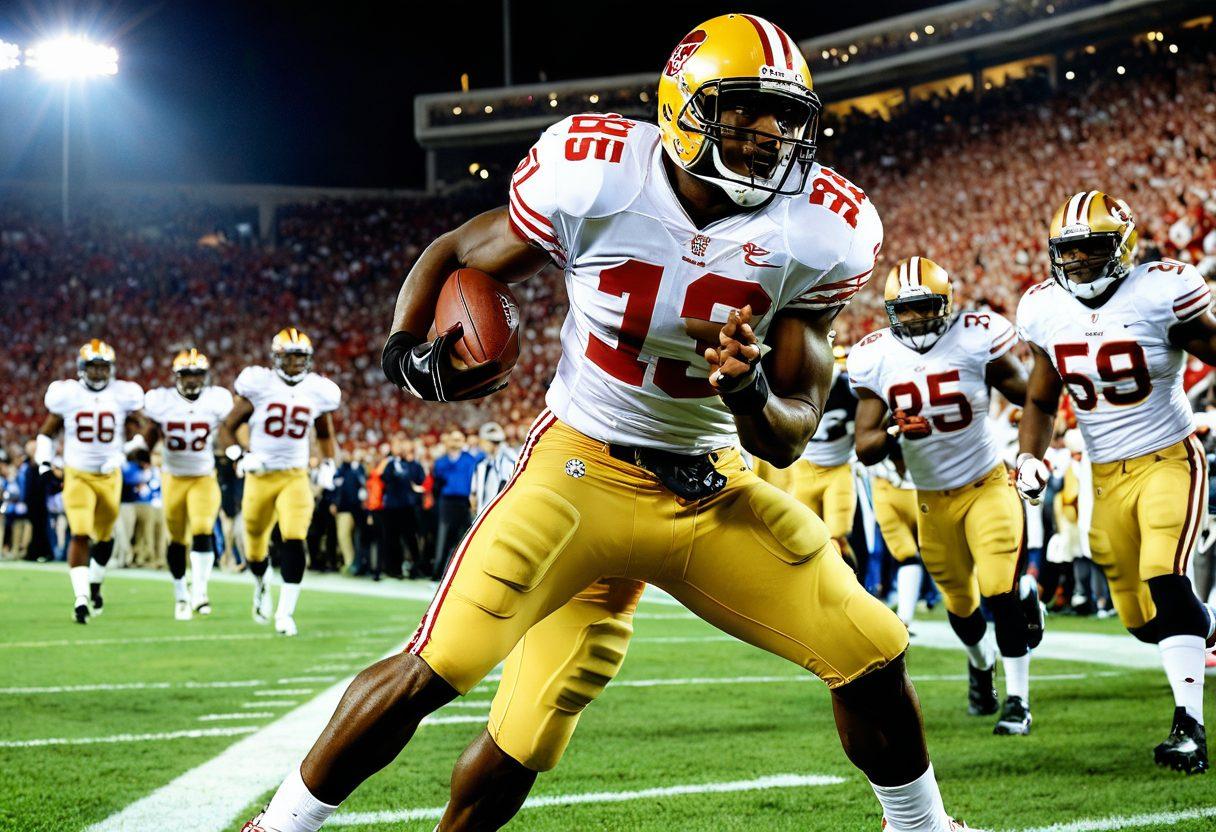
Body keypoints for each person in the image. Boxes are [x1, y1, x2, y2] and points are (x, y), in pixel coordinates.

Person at [247, 15, 978, 832]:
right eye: (745, 113)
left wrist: (745, 394)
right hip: (577, 471)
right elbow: (459, 250)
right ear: (684, 109)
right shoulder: (596, 174)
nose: (770, 137)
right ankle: (279, 828)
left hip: (708, 487)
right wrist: (402, 353)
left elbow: (789, 434)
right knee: (454, 676)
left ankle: (922, 827)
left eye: (785, 118)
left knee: (870, 649)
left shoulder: (822, 228)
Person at [1014, 191, 1216, 774]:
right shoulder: (1046, 308)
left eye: (1090, 250)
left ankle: (1188, 728)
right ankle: (1208, 628)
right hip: (1103, 475)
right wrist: (1029, 457)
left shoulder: (1160, 292)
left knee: (1165, 573)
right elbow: (1039, 397)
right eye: (1068, 253)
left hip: (1168, 458)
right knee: (1139, 619)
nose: (1077, 263)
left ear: (1122, 249)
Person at [851, 256, 1040, 736]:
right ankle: (981, 667)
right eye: (906, 310)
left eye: (925, 307)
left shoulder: (977, 336)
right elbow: (866, 446)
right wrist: (894, 428)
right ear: (892, 311)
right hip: (931, 498)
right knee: (961, 605)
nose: (916, 319)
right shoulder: (876, 356)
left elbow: (1027, 392)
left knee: (999, 590)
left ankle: (1018, 701)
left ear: (947, 303)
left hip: (987, 483)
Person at [219, 328, 341, 637]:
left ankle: (285, 613)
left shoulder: (317, 390)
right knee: (255, 544)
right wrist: (239, 455)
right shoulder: (260, 385)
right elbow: (228, 427)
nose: (296, 363)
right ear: (277, 358)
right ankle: (261, 583)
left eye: (301, 357)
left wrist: (328, 463)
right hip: (260, 475)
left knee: (293, 535)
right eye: (290, 357)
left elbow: (325, 434)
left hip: (295, 475)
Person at [35, 340, 149, 623]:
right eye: (93, 367)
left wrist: (126, 450)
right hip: (78, 474)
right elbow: (47, 433)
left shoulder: (123, 394)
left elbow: (140, 429)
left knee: (105, 536)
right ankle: (81, 598)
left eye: (102, 367)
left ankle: (95, 584)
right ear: (82, 368)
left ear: (110, 369)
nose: (98, 373)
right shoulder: (68, 394)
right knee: (80, 532)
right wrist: (44, 464)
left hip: (110, 475)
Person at [142, 349, 234, 618]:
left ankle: (200, 592)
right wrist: (140, 447)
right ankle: (181, 593)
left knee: (204, 529)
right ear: (177, 377)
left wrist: (236, 450)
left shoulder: (217, 400)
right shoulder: (161, 401)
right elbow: (149, 433)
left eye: (197, 375)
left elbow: (229, 429)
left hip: (203, 476)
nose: (192, 380)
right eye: (187, 374)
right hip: (173, 477)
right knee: (177, 539)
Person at [786, 345, 858, 566]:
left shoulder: (848, 390)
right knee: (803, 538)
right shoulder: (791, 385)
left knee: (837, 534)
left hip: (838, 468)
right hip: (803, 468)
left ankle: (846, 584)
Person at [429, 430, 479, 577]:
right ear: (448, 441)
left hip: (464, 502)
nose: (456, 442)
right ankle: (437, 574)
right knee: (443, 538)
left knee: (464, 538)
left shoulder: (471, 459)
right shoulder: (441, 461)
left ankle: (460, 574)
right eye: (454, 439)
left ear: (464, 442)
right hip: (447, 502)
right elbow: (437, 480)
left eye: (459, 439)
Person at [380, 435, 426, 579]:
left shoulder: (413, 464)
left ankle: (416, 568)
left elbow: (420, 478)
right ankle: (395, 569)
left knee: (411, 539)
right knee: (393, 539)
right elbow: (383, 477)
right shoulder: (390, 463)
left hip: (408, 506)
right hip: (393, 507)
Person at [470, 421, 518, 515]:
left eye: (483, 442)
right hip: (483, 515)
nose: (481, 445)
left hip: (499, 515)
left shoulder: (507, 460)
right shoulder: (483, 463)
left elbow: (506, 487)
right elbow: (474, 494)